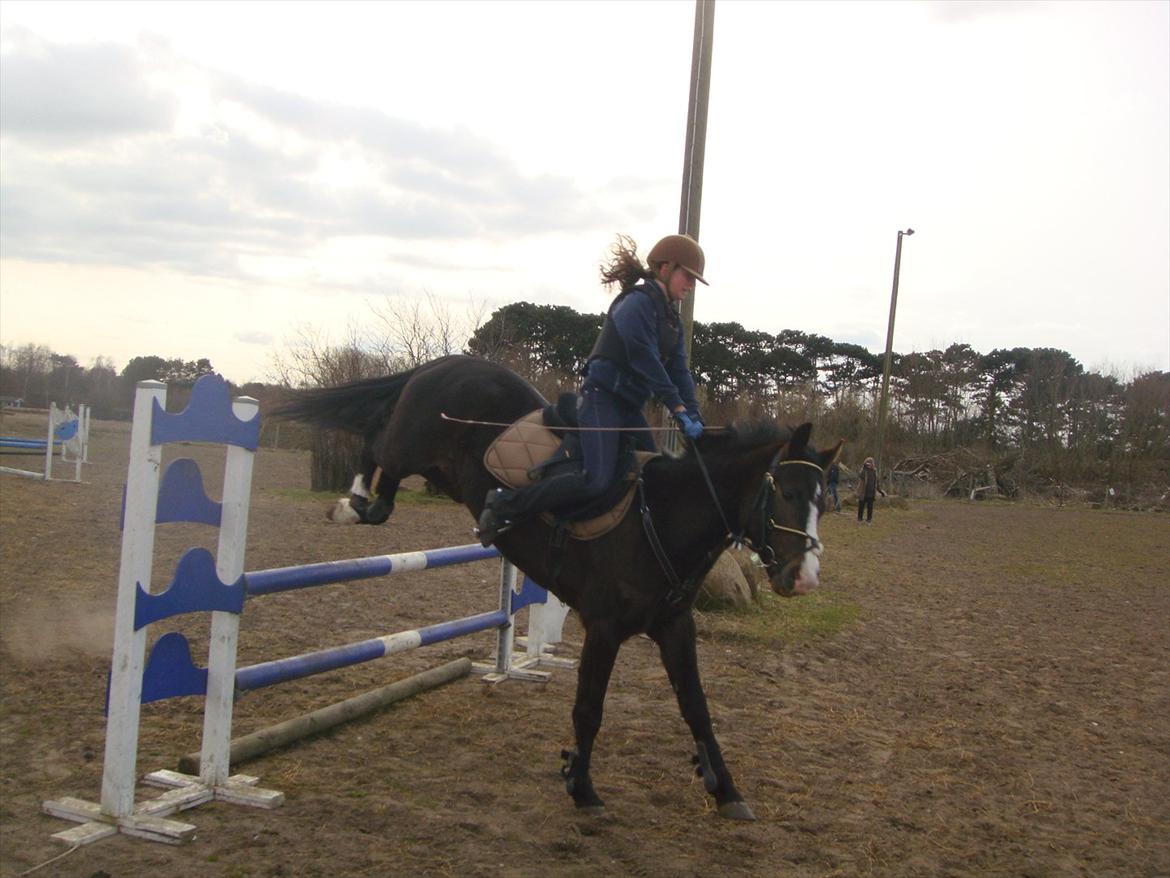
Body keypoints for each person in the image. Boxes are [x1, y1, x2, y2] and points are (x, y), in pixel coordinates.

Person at [477, 233, 707, 545]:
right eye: (687, 276)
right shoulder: (636, 304)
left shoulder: (672, 323)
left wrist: (694, 414)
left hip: (628, 408)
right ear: (665, 268)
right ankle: (504, 504)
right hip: (602, 401)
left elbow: (680, 370)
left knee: (652, 475)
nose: (691, 285)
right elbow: (643, 357)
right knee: (595, 480)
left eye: (694, 280)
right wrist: (677, 408)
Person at [856, 456, 885, 525]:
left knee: (870, 507)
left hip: (871, 493)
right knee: (861, 506)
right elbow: (860, 475)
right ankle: (859, 519)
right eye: (867, 463)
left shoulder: (874, 472)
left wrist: (880, 491)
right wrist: (864, 467)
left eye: (870, 463)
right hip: (863, 492)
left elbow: (876, 483)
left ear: (872, 464)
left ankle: (869, 520)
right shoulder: (864, 471)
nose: (869, 465)